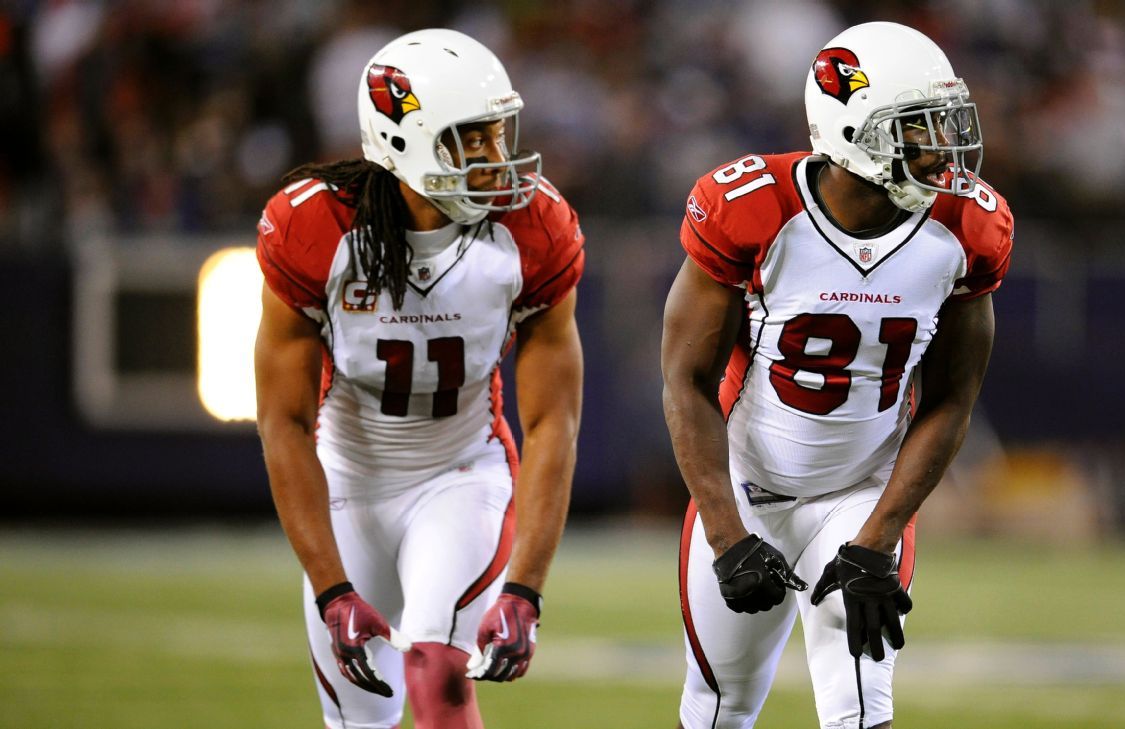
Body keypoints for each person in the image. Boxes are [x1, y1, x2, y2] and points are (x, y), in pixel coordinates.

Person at [661, 21, 1013, 729]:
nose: (942, 146)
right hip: (748, 483)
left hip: (863, 489)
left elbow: (951, 399)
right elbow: (685, 381)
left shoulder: (965, 227)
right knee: (718, 709)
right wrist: (729, 537)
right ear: (852, 129)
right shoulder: (754, 211)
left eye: (944, 123)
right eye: (917, 126)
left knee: (860, 710)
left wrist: (878, 538)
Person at [253, 28, 584, 729]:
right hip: (347, 482)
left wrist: (526, 587)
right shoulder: (316, 228)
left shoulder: (531, 227)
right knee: (359, 716)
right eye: (473, 140)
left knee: (437, 670)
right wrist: (331, 586)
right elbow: (282, 420)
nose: (499, 159)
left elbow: (555, 418)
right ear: (405, 140)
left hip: (461, 473)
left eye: (499, 134)